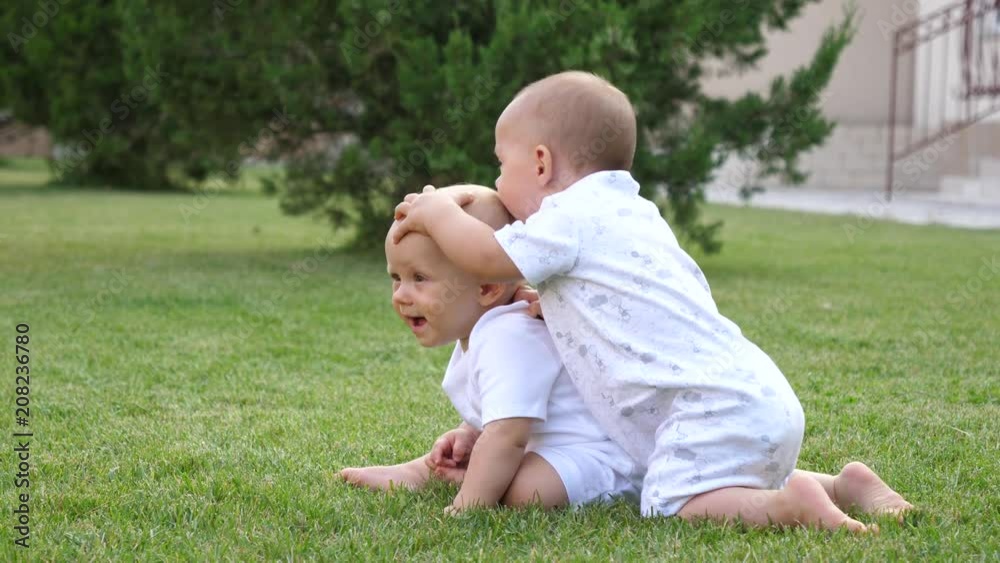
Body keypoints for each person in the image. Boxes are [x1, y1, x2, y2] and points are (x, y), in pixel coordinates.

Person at [391, 71, 912, 531]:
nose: (499, 184)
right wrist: (554, 307)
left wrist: (436, 210)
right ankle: (845, 485)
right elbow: (620, 297)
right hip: (747, 389)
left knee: (672, 502)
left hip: (703, 406)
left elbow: (484, 256)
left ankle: (787, 508)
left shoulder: (566, 217)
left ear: (542, 163)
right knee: (716, 471)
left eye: (502, 166)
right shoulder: (634, 213)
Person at [341, 185, 641, 514]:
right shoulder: (487, 329)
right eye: (396, 278)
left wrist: (468, 505)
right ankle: (424, 471)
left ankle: (460, 479)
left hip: (599, 457)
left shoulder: (510, 336)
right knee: (493, 459)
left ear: (487, 287)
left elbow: (508, 432)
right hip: (547, 448)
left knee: (524, 491)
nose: (401, 295)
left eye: (420, 278)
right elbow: (508, 408)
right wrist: (469, 433)